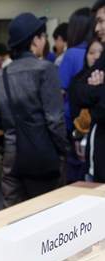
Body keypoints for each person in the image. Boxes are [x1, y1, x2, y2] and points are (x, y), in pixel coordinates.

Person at [0, 13, 68, 206]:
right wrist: (65, 149)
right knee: (46, 213)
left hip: (11, 157)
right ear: (35, 40)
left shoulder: (0, 76)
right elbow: (54, 120)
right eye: (43, 37)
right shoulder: (45, 69)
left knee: (13, 215)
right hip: (42, 153)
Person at [71, 0, 105, 183]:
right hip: (97, 160)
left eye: (101, 21)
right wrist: (99, 92)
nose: (98, 28)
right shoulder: (104, 58)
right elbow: (77, 90)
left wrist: (96, 92)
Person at [58, 7, 93, 183]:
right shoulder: (97, 51)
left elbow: (60, 91)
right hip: (93, 120)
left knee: (74, 173)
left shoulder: (71, 54)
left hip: (74, 122)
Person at [69, 38, 103, 170]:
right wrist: (77, 136)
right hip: (80, 138)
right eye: (91, 52)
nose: (96, 56)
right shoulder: (78, 81)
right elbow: (73, 113)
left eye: (100, 52)